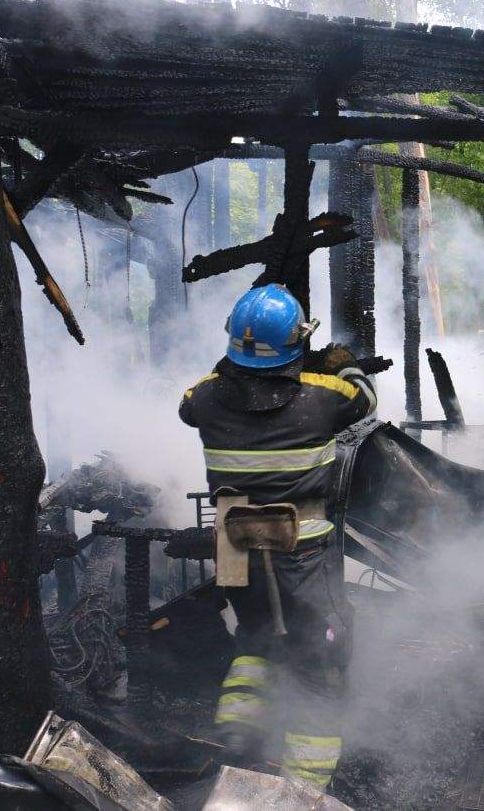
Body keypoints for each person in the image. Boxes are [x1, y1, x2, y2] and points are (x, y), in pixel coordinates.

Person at [179, 284, 377, 787]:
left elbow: (195, 400)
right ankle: (302, 790)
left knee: (253, 641)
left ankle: (235, 741)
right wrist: (342, 363)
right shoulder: (325, 396)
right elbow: (366, 401)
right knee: (319, 667)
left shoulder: (201, 397)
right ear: (297, 341)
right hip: (300, 551)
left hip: (235, 546)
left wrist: (236, 366)